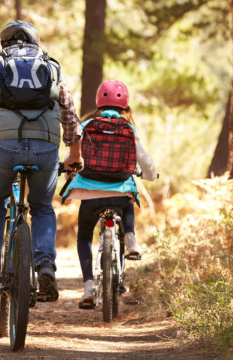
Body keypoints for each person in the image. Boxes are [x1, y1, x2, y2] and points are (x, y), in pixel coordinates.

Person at [0, 20, 83, 302]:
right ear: (36, 43)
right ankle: (45, 264)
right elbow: (70, 114)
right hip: (46, 149)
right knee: (43, 207)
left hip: (5, 148)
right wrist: (75, 153)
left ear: (4, 45)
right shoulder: (53, 68)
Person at [61, 80, 157, 304]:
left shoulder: (87, 126)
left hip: (90, 192)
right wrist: (151, 176)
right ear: (125, 106)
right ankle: (130, 238)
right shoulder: (129, 130)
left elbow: (72, 157)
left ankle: (87, 288)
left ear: (98, 103)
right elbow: (146, 162)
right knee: (128, 198)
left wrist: (68, 171)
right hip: (119, 191)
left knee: (84, 237)